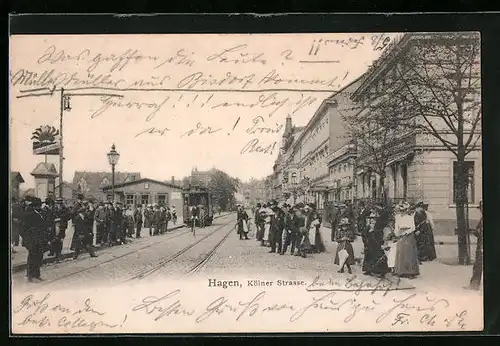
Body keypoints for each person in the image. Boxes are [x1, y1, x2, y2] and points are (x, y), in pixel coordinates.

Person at [19, 197, 50, 282]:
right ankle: (30, 276)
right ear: (34, 206)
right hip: (32, 241)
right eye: (38, 205)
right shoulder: (28, 215)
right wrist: (27, 239)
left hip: (40, 240)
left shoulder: (41, 214)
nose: (39, 207)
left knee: (39, 257)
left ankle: (37, 275)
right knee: (32, 258)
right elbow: (21, 229)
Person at [393, 202, 419, 278]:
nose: (402, 212)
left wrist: (406, 232)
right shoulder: (397, 217)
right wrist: (397, 234)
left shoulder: (410, 217)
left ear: (406, 210)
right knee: (400, 252)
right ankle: (400, 271)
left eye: (403, 210)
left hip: (408, 236)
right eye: (400, 210)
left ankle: (410, 272)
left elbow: (413, 227)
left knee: (409, 253)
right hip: (400, 235)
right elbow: (396, 226)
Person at [361, 210, 389, 277]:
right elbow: (364, 234)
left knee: (378, 255)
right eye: (371, 219)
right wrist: (366, 239)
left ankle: (381, 271)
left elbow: (380, 235)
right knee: (368, 255)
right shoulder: (368, 226)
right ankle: (369, 269)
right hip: (369, 243)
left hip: (376, 243)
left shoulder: (379, 227)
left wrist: (374, 231)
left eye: (374, 219)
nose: (372, 221)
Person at [465, 201, 483, 290]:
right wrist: (474, 231)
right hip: (480, 245)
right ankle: (474, 284)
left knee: (478, 265)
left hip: (481, 246)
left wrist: (476, 232)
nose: (480, 210)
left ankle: (474, 285)